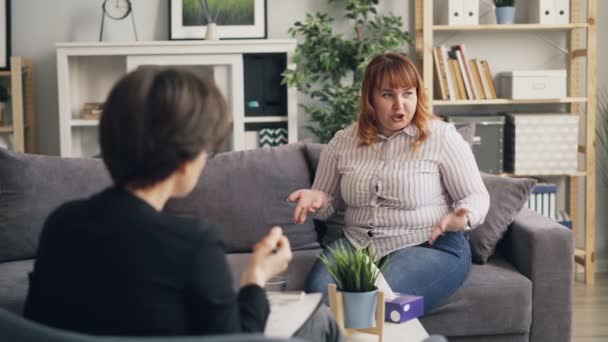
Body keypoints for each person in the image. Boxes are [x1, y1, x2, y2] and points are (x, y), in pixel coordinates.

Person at [24, 67, 342, 342]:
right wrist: (255, 278)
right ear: (184, 164)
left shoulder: (60, 224)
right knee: (322, 322)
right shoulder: (195, 244)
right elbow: (238, 340)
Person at [288, 52, 490, 313]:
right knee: (318, 302)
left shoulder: (441, 137)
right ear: (370, 98)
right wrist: (317, 199)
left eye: (408, 93)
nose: (400, 104)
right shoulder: (343, 142)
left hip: (429, 244)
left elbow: (477, 196)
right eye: (387, 95)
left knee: (375, 302)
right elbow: (328, 204)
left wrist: (462, 218)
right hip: (357, 245)